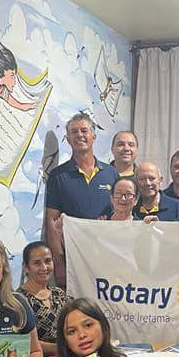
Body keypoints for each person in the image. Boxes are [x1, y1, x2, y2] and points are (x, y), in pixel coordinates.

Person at [44, 112, 119, 285]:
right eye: (74, 132)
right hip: (74, 260)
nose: (79, 135)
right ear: (68, 139)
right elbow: (51, 222)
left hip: (108, 257)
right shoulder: (58, 176)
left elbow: (122, 214)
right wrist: (59, 265)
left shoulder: (111, 174)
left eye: (84, 131)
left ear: (93, 136)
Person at [15, 241, 72, 357]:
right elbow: (20, 341)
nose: (44, 267)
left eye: (47, 261)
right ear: (26, 267)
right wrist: (60, 348)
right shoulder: (18, 300)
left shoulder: (59, 294)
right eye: (37, 263)